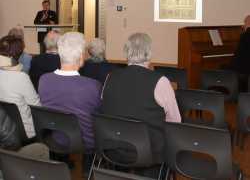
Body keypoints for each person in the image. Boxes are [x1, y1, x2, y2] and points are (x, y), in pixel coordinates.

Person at [101, 33, 181, 170]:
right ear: (149, 53)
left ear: (126, 52)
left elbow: (105, 107)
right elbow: (175, 121)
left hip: (113, 148)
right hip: (149, 152)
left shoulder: (110, 77)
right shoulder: (160, 81)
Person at [38, 32, 102, 170]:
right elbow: (98, 116)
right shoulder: (92, 86)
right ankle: (88, 171)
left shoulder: (44, 80)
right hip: (86, 142)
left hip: (54, 138)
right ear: (80, 58)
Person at [0, 36, 41, 138]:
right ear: (19, 54)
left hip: (3, 128)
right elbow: (37, 107)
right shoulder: (21, 77)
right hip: (23, 132)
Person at [231, 15, 250, 91]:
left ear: (248, 23)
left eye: (245, 22)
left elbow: (238, 56)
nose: (243, 25)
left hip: (244, 70)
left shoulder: (245, 35)